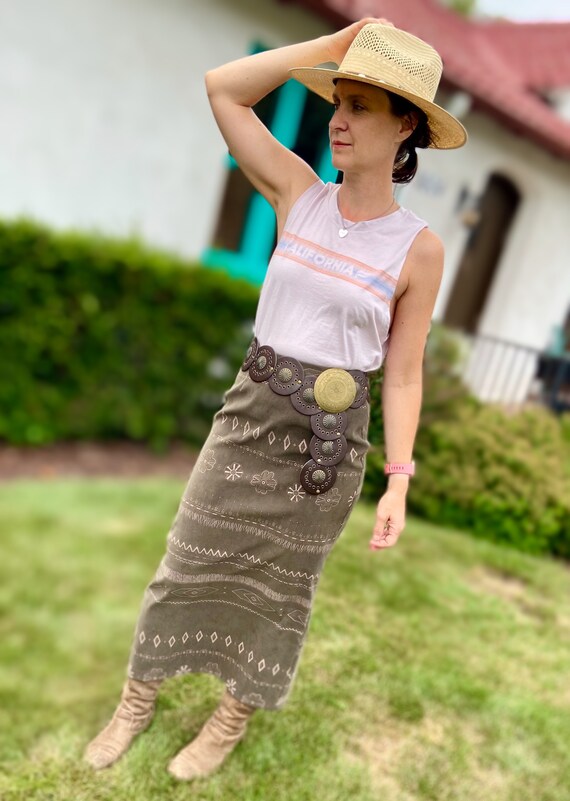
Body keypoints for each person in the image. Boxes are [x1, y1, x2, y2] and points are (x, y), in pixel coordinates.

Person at [84, 18, 467, 780]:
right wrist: (330, 47)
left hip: (325, 447)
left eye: (361, 106)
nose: (339, 119)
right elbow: (223, 90)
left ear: (406, 128)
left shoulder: (419, 249)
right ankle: (135, 701)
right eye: (339, 101)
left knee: (278, 592)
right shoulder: (298, 192)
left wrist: (398, 479)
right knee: (185, 559)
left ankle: (230, 718)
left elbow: (403, 372)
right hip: (250, 416)